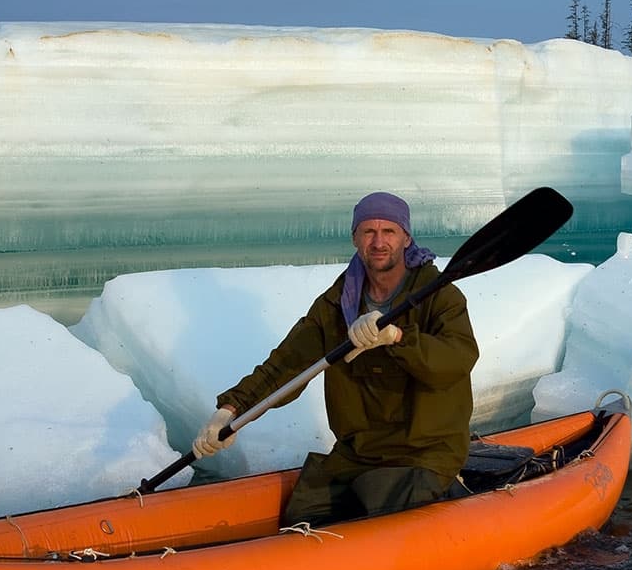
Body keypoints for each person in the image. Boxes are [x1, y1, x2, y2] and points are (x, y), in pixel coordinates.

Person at [193, 191, 479, 526]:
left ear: (406, 238)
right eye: (368, 231)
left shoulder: (439, 295)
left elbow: (457, 359)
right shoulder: (336, 304)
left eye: (388, 231)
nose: (378, 241)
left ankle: (451, 496)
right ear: (355, 238)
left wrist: (397, 337)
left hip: (424, 452)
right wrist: (230, 411)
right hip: (358, 454)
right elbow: (286, 365)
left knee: (386, 513)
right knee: (302, 517)